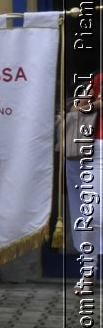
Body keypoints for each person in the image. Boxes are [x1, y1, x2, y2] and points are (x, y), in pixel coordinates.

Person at [66, 74, 102, 297]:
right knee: (92, 214)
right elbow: (75, 109)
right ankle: (89, 272)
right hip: (99, 149)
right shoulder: (98, 79)